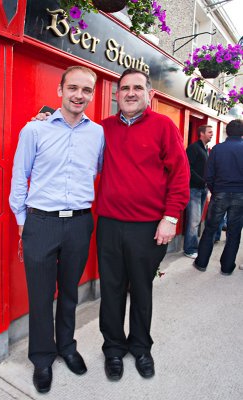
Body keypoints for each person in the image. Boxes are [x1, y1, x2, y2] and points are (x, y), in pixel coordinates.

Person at [9, 66, 104, 393]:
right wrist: (23, 222)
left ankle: (66, 346)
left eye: (86, 90)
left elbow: (102, 170)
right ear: (60, 91)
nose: (79, 95)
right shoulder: (34, 131)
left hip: (79, 222)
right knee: (40, 296)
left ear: (92, 94)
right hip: (41, 223)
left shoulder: (98, 134)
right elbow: (19, 178)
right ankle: (42, 357)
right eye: (73, 88)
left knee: (68, 293)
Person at [96, 68, 190, 380]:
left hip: (148, 227)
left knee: (140, 289)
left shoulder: (164, 126)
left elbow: (180, 175)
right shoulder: (103, 128)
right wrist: (44, 119)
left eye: (137, 87)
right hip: (109, 225)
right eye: (125, 88)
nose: (131, 93)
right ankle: (112, 348)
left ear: (149, 94)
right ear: (116, 94)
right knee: (110, 290)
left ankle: (140, 347)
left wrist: (170, 218)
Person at [193, 119, 243, 275]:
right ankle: (227, 267)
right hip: (240, 195)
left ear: (227, 132)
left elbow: (209, 175)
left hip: (220, 193)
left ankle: (201, 263)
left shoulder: (217, 149)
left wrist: (216, 191)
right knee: (234, 233)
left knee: (210, 229)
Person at [183, 125, 213, 258]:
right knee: (194, 221)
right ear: (201, 133)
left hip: (202, 189)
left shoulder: (205, 149)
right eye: (209, 132)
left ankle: (193, 246)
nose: (212, 134)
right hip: (193, 189)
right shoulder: (194, 148)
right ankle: (189, 249)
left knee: (197, 220)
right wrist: (202, 181)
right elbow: (187, 168)